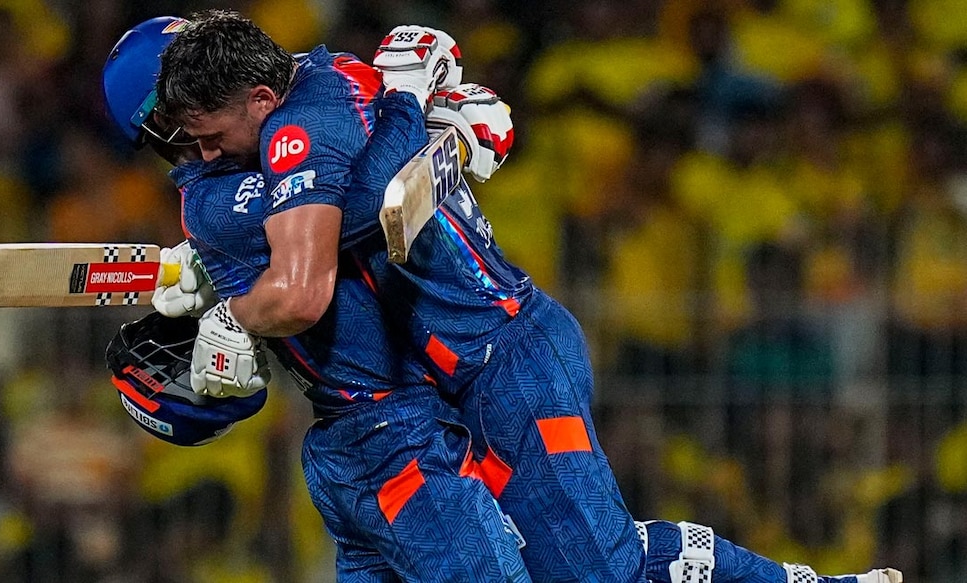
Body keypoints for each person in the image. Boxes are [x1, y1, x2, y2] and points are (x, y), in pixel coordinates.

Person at [151, 9, 903, 583]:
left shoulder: (304, 126)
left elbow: (326, 256)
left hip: (504, 355)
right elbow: (356, 206)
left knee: (593, 565)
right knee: (588, 553)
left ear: (258, 98)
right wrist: (429, 121)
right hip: (455, 375)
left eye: (207, 135)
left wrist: (231, 299)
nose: (202, 155)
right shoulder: (328, 89)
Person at [103, 16, 529, 582]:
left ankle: (660, 557)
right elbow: (344, 208)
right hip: (385, 423)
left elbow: (330, 204)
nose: (200, 149)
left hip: (418, 404)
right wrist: (438, 132)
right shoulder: (220, 186)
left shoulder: (303, 108)